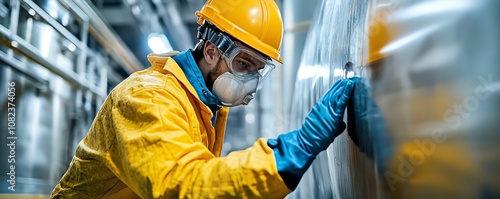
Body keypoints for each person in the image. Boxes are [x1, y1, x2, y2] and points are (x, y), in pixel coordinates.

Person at [51, 0, 356, 198]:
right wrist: (293, 150)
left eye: (257, 71)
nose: (248, 80)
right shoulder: (147, 97)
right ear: (211, 50)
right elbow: (182, 185)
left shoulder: (203, 107)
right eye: (243, 64)